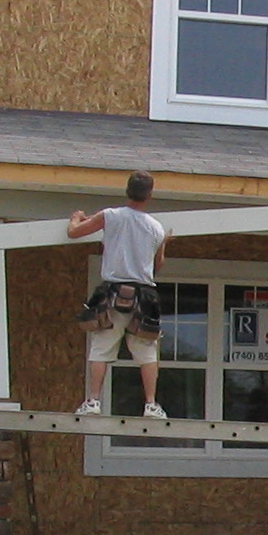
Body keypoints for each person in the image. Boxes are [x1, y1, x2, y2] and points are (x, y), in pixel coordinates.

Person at [70, 171, 172, 418]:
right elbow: (157, 266)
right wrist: (165, 243)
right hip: (143, 297)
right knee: (146, 352)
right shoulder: (156, 228)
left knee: (102, 348)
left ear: (127, 191)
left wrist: (76, 218)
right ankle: (151, 404)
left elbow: (75, 232)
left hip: (113, 293)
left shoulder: (110, 216)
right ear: (150, 195)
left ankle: (93, 401)